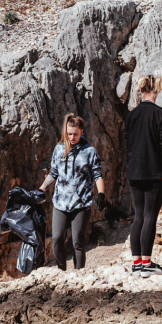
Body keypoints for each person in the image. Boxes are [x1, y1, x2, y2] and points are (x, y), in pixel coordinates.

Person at [124, 75, 162, 276]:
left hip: (134, 172)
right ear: (156, 90)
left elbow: (128, 145)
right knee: (150, 216)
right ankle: (146, 264)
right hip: (155, 173)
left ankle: (137, 263)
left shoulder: (131, 116)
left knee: (139, 216)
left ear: (141, 91)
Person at [40, 114, 106, 270]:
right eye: (69, 134)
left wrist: (101, 194)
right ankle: (62, 270)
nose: (72, 137)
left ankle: (78, 273)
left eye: (75, 134)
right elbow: (53, 174)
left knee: (78, 241)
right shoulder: (59, 149)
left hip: (81, 204)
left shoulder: (89, 151)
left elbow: (98, 175)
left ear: (81, 132)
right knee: (57, 238)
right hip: (60, 203)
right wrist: (41, 190)